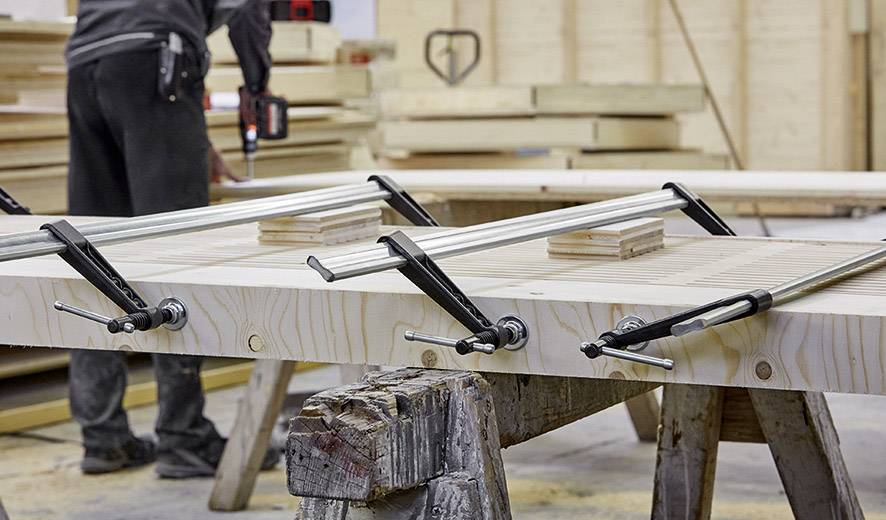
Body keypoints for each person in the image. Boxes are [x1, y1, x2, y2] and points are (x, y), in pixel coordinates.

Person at [65, 0, 274, 477]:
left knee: (93, 253)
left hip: (85, 65)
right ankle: (184, 437)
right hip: (159, 56)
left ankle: (102, 437)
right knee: (177, 252)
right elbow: (247, 13)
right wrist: (257, 85)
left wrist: (193, 141)